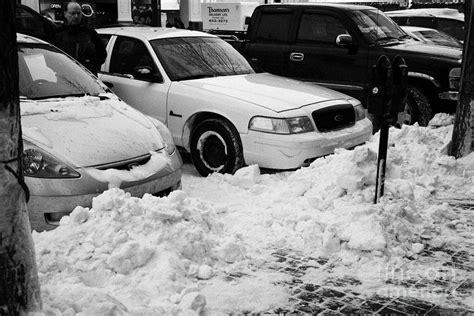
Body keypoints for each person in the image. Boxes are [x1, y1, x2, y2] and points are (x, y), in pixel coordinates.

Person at [55, 1, 107, 76]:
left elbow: (102, 54)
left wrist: (90, 65)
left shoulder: (91, 34)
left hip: (87, 78)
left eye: (78, 13)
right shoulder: (58, 34)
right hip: (65, 78)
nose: (76, 16)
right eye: (73, 13)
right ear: (65, 14)